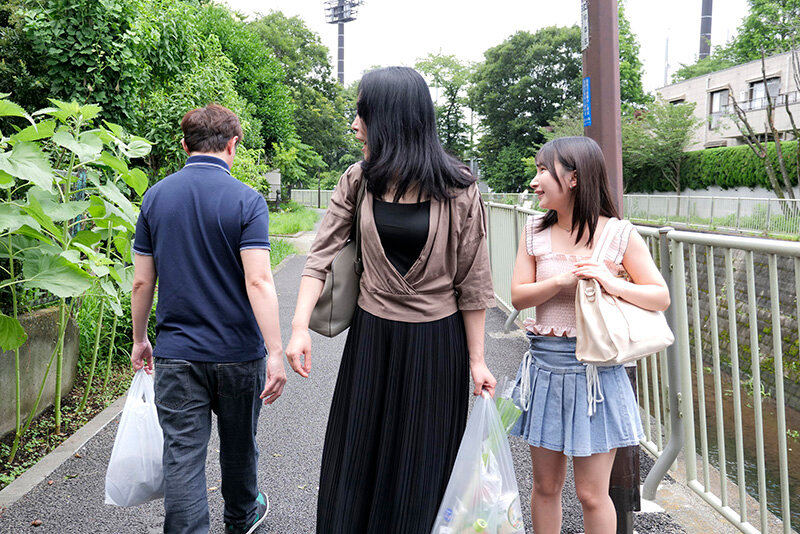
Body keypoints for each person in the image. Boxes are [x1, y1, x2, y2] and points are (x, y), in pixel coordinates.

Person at [285, 66, 497, 533]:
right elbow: (320, 257)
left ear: (392, 119)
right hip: (371, 339)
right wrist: (299, 327)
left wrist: (478, 360)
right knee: (356, 457)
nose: (355, 125)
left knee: (422, 466)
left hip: (437, 345)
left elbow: (474, 281)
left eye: (362, 113)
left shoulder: (460, 188)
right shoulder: (358, 180)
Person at [130, 103, 286, 534]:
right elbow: (259, 280)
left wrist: (140, 339)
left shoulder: (156, 197)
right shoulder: (247, 201)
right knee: (239, 446)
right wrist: (275, 352)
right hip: (239, 353)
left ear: (185, 146)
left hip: (177, 354)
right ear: (233, 145)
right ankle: (241, 517)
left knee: (182, 456)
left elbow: (142, 282)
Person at [509, 136, 670, 534]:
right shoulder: (534, 231)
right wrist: (561, 280)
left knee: (592, 494)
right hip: (545, 368)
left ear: (574, 177)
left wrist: (610, 282)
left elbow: (659, 296)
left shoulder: (618, 234)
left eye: (543, 170)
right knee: (545, 486)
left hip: (597, 374)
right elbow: (518, 295)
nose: (534, 181)